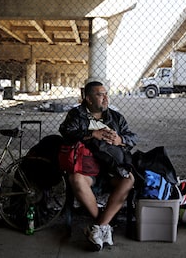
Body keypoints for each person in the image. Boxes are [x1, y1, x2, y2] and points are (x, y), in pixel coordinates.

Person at [59, 80, 137, 251]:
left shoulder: (115, 117)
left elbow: (133, 138)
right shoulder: (76, 114)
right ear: (88, 98)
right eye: (100, 94)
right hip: (88, 170)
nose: (105, 98)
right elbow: (66, 132)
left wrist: (120, 140)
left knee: (129, 180)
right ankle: (103, 225)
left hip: (112, 170)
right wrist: (92, 134)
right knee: (76, 179)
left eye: (106, 94)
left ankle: (98, 227)